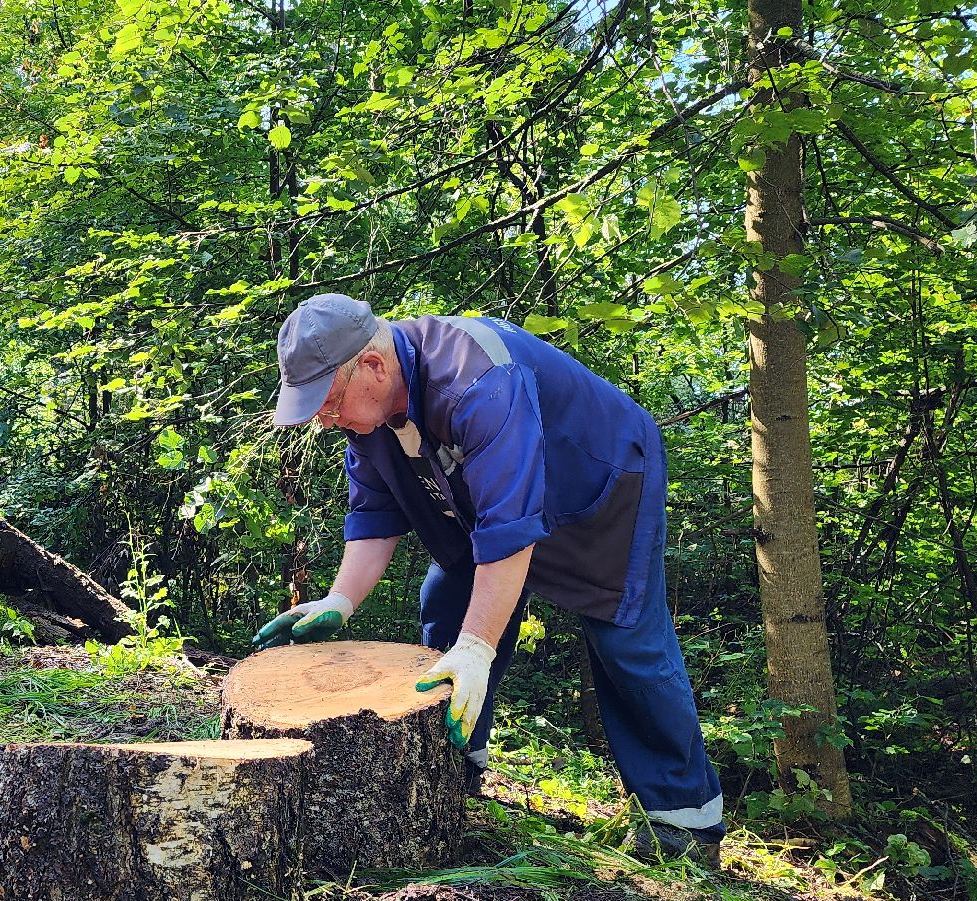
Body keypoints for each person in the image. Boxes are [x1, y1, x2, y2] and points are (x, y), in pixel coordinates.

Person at [255, 293, 725, 867]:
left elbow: (509, 527)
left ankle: (682, 822)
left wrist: (478, 648)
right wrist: (341, 598)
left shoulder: (480, 378)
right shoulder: (368, 414)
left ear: (373, 366)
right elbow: (375, 515)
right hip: (482, 507)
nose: (324, 420)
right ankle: (452, 767)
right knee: (447, 603)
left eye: (327, 403)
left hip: (598, 486)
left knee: (625, 641)